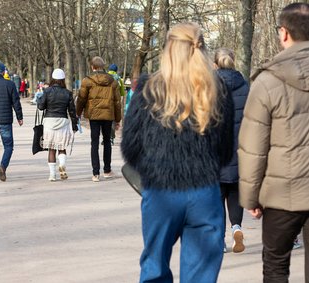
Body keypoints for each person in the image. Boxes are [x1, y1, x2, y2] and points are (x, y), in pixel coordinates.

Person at [121, 22, 234, 282]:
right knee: (201, 273)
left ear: (168, 49)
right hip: (204, 192)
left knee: (155, 266)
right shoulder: (217, 91)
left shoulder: (149, 89)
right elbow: (226, 150)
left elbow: (131, 146)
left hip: (161, 191)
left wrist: (154, 170)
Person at [238, 3, 309, 282]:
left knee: (276, 265)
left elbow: (253, 147)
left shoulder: (267, 81)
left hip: (282, 192)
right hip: (285, 191)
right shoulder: (266, 79)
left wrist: (250, 196)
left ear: (284, 33)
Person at [214, 48, 249, 253]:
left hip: (216, 151)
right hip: (239, 149)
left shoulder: (208, 87)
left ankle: (220, 239)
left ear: (215, 64)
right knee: (235, 191)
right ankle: (237, 227)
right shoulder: (245, 86)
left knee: (217, 196)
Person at [76, 56, 122, 182]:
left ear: (92, 67)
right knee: (107, 141)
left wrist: (77, 113)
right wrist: (118, 119)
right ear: (103, 66)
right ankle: (107, 170)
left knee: (94, 142)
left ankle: (95, 173)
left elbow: (81, 99)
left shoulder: (87, 81)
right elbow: (117, 102)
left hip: (94, 115)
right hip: (108, 115)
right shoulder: (113, 81)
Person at [37, 68, 78, 181]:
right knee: (62, 147)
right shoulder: (68, 93)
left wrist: (41, 97)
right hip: (62, 122)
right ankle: (62, 165)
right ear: (63, 79)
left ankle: (52, 175)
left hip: (49, 122)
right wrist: (74, 125)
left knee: (51, 149)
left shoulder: (47, 91)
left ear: (53, 79)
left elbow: (41, 107)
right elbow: (72, 111)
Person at [106, 64, 126, 145]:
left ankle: (105, 138)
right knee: (113, 121)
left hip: (105, 101)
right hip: (114, 102)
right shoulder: (119, 79)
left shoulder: (104, 77)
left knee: (104, 120)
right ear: (116, 70)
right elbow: (122, 93)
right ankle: (111, 138)